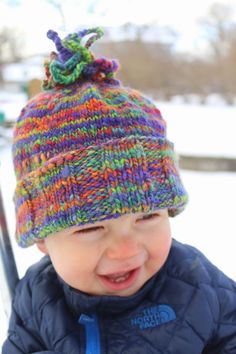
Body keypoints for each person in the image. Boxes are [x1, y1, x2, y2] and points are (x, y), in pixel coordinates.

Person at [2, 27, 236, 354]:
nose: (126, 251)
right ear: (41, 239)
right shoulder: (37, 298)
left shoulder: (198, 285)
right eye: (91, 227)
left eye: (148, 216)